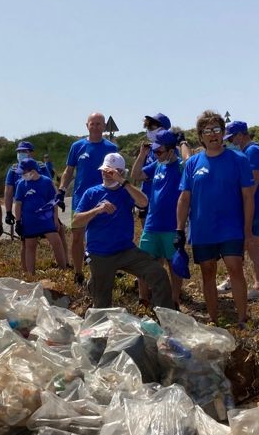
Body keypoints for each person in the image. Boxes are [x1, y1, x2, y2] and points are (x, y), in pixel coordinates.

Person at [176, 111, 255, 326]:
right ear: (201, 136)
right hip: (203, 229)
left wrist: (248, 231)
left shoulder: (238, 158)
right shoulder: (193, 163)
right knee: (208, 272)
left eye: (216, 130)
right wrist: (179, 230)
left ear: (223, 133)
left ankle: (242, 318)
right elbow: (184, 198)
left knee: (234, 268)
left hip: (231, 227)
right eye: (207, 131)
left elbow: (248, 197)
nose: (212, 135)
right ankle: (213, 319)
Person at [72, 152, 174, 310]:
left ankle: (167, 318)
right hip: (100, 253)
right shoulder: (91, 193)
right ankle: (99, 324)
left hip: (126, 250)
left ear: (121, 173)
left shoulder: (126, 192)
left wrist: (123, 182)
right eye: (105, 170)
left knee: (158, 273)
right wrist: (97, 210)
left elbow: (144, 202)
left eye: (112, 171)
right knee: (102, 302)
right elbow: (76, 220)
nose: (106, 174)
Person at [131, 128, 192, 305]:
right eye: (154, 151)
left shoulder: (180, 166)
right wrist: (143, 154)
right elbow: (136, 175)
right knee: (144, 263)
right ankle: (144, 300)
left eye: (159, 151)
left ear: (171, 151)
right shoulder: (157, 165)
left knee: (174, 266)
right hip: (151, 225)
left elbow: (189, 161)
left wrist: (183, 143)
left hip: (172, 226)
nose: (156, 154)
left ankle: (174, 301)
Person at [58, 113, 119, 285]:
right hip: (81, 198)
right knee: (77, 236)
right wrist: (61, 190)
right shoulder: (77, 146)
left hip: (104, 197)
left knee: (103, 235)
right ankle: (78, 272)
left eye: (99, 124)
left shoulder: (111, 148)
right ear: (87, 125)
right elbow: (69, 171)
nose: (96, 126)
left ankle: (105, 271)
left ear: (104, 126)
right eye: (92, 123)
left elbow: (118, 173)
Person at [222, 120, 259, 301]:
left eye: (232, 137)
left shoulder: (252, 151)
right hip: (257, 206)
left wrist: (242, 205)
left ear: (241, 134)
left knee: (251, 245)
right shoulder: (249, 151)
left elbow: (253, 181)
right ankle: (238, 281)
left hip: (256, 207)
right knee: (247, 245)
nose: (230, 141)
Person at [13, 157, 67, 276]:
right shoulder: (21, 184)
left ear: (32, 171)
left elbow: (54, 201)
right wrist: (18, 221)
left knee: (56, 242)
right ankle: (31, 275)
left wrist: (55, 219)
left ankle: (63, 271)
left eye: (24, 172)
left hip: (46, 219)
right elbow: (18, 204)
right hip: (29, 220)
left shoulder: (46, 182)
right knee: (30, 246)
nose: (22, 175)